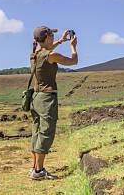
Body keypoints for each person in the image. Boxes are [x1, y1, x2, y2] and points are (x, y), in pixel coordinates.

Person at [29, 26, 78, 180]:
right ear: (47, 37)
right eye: (52, 35)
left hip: (35, 98)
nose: (53, 38)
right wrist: (73, 47)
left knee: (37, 132)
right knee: (46, 133)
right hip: (46, 99)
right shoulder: (51, 55)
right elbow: (73, 61)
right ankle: (39, 171)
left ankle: (35, 168)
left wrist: (61, 40)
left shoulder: (34, 54)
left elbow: (47, 48)